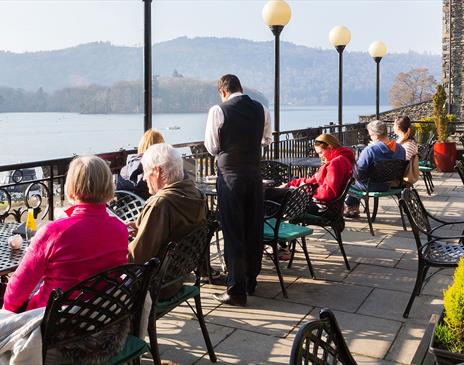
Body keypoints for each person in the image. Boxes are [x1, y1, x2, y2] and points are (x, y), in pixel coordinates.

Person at [3, 156, 128, 313]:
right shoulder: (120, 229)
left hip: (52, 323)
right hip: (100, 316)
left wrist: (7, 317)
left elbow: (16, 292)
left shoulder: (53, 233)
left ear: (72, 188)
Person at [204, 74, 272, 306]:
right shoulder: (261, 109)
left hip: (230, 176)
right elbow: (266, 140)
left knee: (233, 232)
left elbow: (212, 146)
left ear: (223, 91)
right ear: (240, 88)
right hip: (254, 175)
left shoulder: (218, 110)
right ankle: (251, 280)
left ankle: (236, 289)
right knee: (253, 228)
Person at [128, 143, 207, 299]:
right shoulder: (197, 195)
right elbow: (173, 233)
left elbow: (136, 258)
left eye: (145, 171)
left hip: (153, 286)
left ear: (157, 171)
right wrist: (142, 228)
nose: (144, 178)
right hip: (176, 278)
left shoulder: (161, 204)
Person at [344, 120, 406, 218]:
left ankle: (350, 207)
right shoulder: (400, 149)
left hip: (371, 186)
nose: (371, 137)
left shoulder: (370, 150)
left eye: (371, 135)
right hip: (390, 184)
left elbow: (358, 173)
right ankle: (352, 208)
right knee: (357, 182)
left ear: (376, 136)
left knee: (348, 183)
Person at [117, 129, 165, 200]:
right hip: (151, 207)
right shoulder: (158, 170)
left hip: (127, 208)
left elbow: (119, 193)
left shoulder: (125, 169)